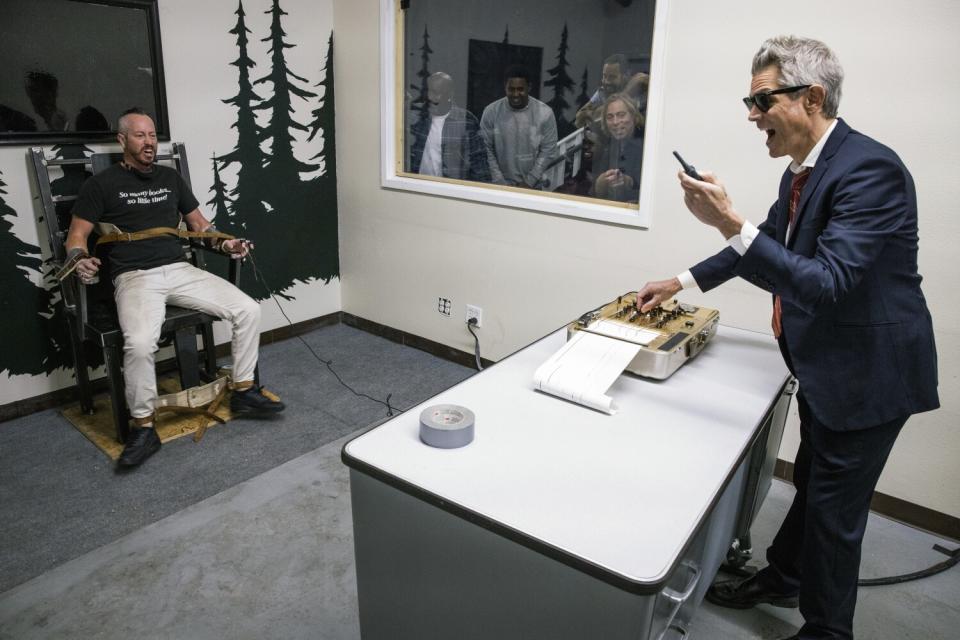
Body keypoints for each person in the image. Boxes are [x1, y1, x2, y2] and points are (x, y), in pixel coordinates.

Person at [636, 36, 938, 640]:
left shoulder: (869, 169)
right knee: (811, 486)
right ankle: (783, 577)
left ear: (812, 98)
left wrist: (729, 219)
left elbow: (825, 284)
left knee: (834, 513)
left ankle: (828, 630)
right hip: (827, 367)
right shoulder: (803, 173)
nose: (751, 115)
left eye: (761, 100)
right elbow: (764, 248)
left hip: (870, 376)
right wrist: (682, 281)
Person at [65, 108, 285, 469]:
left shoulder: (170, 178)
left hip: (179, 270)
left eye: (152, 135)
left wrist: (225, 245)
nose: (149, 142)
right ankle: (144, 427)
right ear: (122, 140)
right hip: (134, 276)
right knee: (138, 343)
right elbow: (77, 236)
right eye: (140, 135)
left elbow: (199, 225)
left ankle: (244, 391)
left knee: (248, 309)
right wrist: (79, 258)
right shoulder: (100, 186)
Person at [479, 65, 558, 189]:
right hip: (497, 186)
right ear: (505, 87)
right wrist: (500, 182)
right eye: (511, 89)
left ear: (529, 87)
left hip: (533, 187)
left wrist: (529, 182)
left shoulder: (545, 113)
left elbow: (548, 151)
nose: (516, 94)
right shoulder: (491, 112)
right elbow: (485, 149)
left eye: (521, 89)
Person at [409, 72, 490, 182]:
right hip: (417, 187)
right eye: (429, 91)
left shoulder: (466, 121)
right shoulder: (416, 116)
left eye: (436, 93)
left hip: (450, 191)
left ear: (450, 95)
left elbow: (479, 164)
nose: (430, 97)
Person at [574, 54, 648, 130]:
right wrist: (626, 94)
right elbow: (579, 120)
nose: (607, 82)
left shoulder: (640, 83)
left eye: (612, 77)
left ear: (626, 75)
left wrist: (596, 113)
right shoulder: (603, 92)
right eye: (604, 76)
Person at [591, 93, 643, 202]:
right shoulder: (606, 148)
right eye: (610, 117)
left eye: (621, 115)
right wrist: (600, 184)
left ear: (633, 116)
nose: (615, 122)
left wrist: (629, 182)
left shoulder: (645, 146)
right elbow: (593, 192)